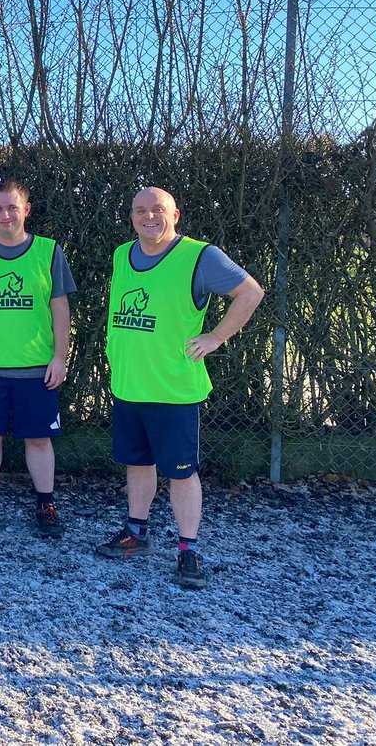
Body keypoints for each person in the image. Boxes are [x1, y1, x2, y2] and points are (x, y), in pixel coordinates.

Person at [95, 186, 263, 589]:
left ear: (176, 214)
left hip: (173, 390)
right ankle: (137, 532)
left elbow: (251, 292)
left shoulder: (199, 256)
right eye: (140, 211)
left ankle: (188, 550)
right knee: (138, 463)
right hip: (130, 385)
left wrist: (216, 337)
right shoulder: (123, 254)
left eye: (157, 210)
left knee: (182, 473)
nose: (148, 217)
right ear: (132, 217)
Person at [0, 179, 77, 538]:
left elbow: (60, 308)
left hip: (36, 368)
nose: (4, 214)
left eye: (12, 207)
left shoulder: (49, 251)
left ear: (26, 209)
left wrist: (59, 357)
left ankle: (46, 504)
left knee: (39, 439)